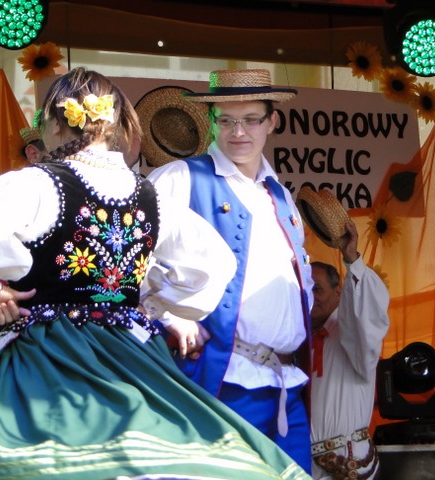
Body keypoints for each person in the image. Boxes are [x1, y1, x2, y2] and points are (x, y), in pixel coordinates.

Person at [0, 67, 310, 479]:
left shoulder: (39, 183)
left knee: (14, 459)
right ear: (112, 125)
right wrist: (156, 305)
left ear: (55, 124)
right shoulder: (148, 194)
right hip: (133, 354)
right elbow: (213, 264)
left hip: (49, 353)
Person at [147, 68, 314, 472]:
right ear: (212, 122)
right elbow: (128, 254)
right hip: (222, 379)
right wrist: (166, 314)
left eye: (251, 120)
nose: (238, 132)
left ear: (272, 121)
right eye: (226, 120)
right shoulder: (182, 178)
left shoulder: (280, 195)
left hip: (285, 383)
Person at [308, 220, 389, 480]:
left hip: (348, 464)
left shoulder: (352, 333)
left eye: (317, 288)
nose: (310, 296)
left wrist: (352, 259)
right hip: (303, 464)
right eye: (305, 290)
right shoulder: (297, 342)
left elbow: (368, 312)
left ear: (338, 291)